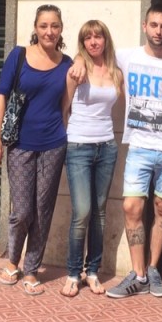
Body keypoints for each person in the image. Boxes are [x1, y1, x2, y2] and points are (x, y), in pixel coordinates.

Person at [102, 4, 162, 299]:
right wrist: (75, 61)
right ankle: (137, 275)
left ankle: (152, 268)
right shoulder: (127, 57)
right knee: (131, 208)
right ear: (144, 26)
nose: (158, 31)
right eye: (154, 25)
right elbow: (94, 52)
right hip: (138, 147)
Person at [0, 4, 73, 296]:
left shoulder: (67, 63)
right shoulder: (19, 55)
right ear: (35, 28)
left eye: (54, 26)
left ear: (61, 29)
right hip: (21, 145)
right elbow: (1, 95)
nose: (49, 31)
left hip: (54, 144)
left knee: (43, 209)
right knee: (22, 209)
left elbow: (67, 105)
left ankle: (32, 268)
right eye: (44, 26)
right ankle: (13, 261)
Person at [61, 20, 122, 297]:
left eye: (98, 37)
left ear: (105, 40)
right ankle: (73, 273)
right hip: (79, 147)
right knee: (82, 212)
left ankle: (92, 271)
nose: (94, 42)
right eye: (88, 38)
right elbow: (64, 109)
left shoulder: (116, 72)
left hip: (107, 146)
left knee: (98, 212)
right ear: (83, 42)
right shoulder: (76, 71)